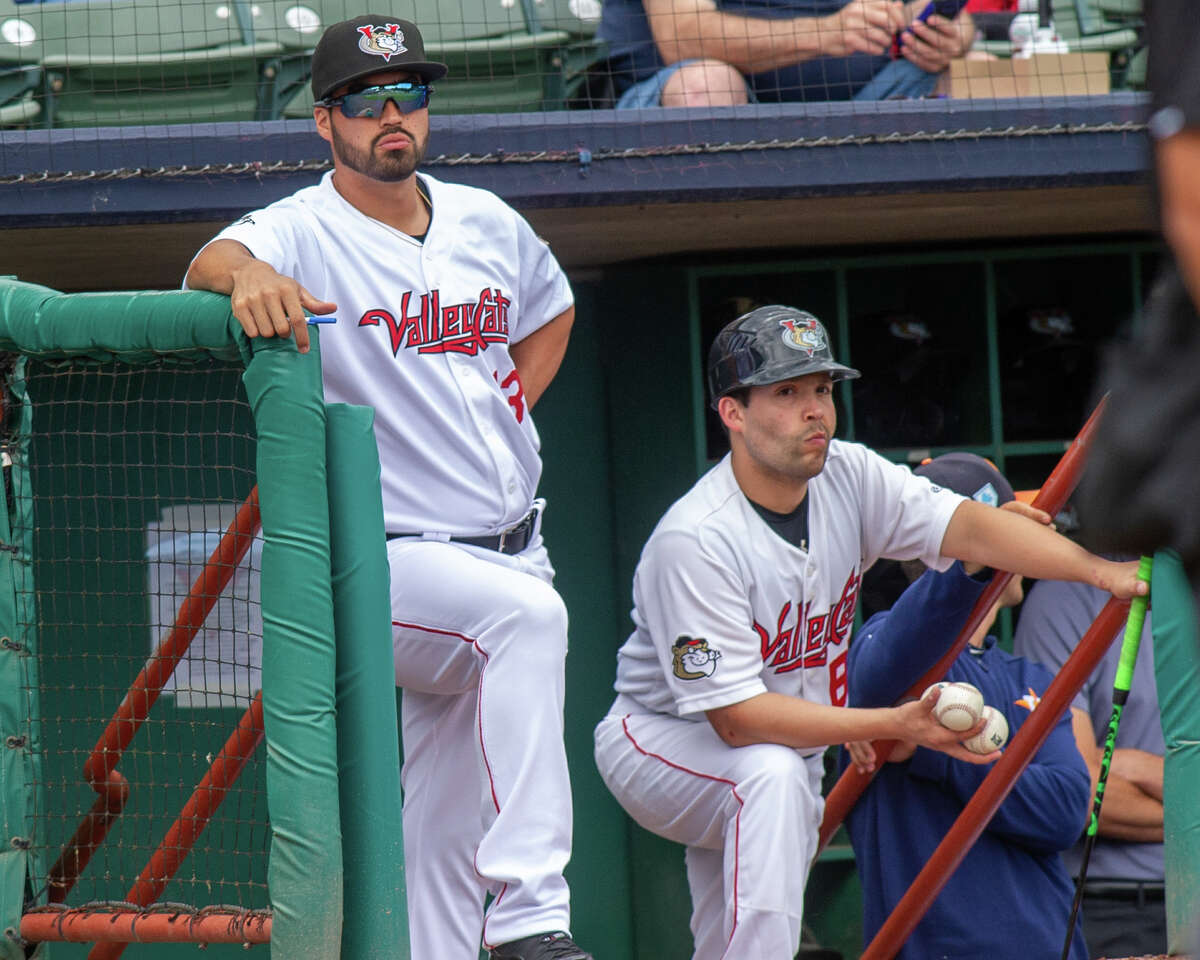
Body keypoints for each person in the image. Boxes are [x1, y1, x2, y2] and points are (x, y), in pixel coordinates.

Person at [184, 16, 591, 960]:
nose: (389, 115)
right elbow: (211, 259)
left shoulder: (487, 217)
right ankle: (532, 915)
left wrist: (508, 402)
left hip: (515, 544)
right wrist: (248, 278)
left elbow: (552, 305)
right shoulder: (305, 225)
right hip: (390, 558)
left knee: (446, 823)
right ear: (325, 123)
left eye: (406, 93)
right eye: (365, 101)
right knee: (526, 627)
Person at [592, 304, 1146, 959]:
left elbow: (970, 528)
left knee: (734, 914)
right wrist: (886, 725)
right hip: (663, 738)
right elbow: (735, 721)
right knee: (770, 778)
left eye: (822, 389)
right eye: (787, 391)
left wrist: (1097, 573)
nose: (815, 409)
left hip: (777, 738)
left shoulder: (848, 476)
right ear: (732, 413)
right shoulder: (695, 540)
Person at [841, 453, 1090, 960]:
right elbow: (884, 665)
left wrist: (934, 755)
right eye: (1009, 530)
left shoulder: (1030, 677)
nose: (1032, 546)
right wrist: (968, 563)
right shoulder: (879, 647)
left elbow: (1066, 810)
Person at [1014, 574, 1167, 958]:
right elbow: (1080, 792)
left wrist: (1130, 767)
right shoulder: (1067, 596)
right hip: (1115, 903)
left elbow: (1088, 771)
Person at [596, 0, 976, 108]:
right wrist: (825, 33)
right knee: (706, 87)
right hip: (706, 105)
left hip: (865, 100)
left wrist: (952, 34)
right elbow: (683, 38)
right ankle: (735, 244)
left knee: (984, 75)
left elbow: (925, 9)